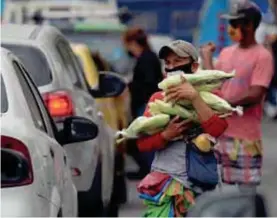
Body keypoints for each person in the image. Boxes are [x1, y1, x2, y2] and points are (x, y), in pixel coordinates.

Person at [136, 40, 228, 217]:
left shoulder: (211, 96)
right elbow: (142, 144)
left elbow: (218, 129)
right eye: (168, 63)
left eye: (178, 61)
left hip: (202, 184)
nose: (171, 67)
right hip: (166, 184)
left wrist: (195, 98)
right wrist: (166, 135)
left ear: (193, 66)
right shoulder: (158, 98)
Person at [200, 0, 274, 193]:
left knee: (245, 201)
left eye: (234, 24)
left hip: (246, 141)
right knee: (221, 198)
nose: (230, 28)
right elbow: (213, 83)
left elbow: (256, 94)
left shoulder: (262, 56)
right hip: (220, 137)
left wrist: (223, 104)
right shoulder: (226, 53)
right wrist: (207, 57)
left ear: (249, 25)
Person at [122, 27, 164, 180]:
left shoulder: (146, 59)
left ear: (133, 43)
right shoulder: (147, 57)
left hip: (147, 105)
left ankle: (151, 170)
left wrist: (132, 86)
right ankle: (147, 169)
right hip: (147, 104)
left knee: (144, 139)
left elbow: (149, 83)